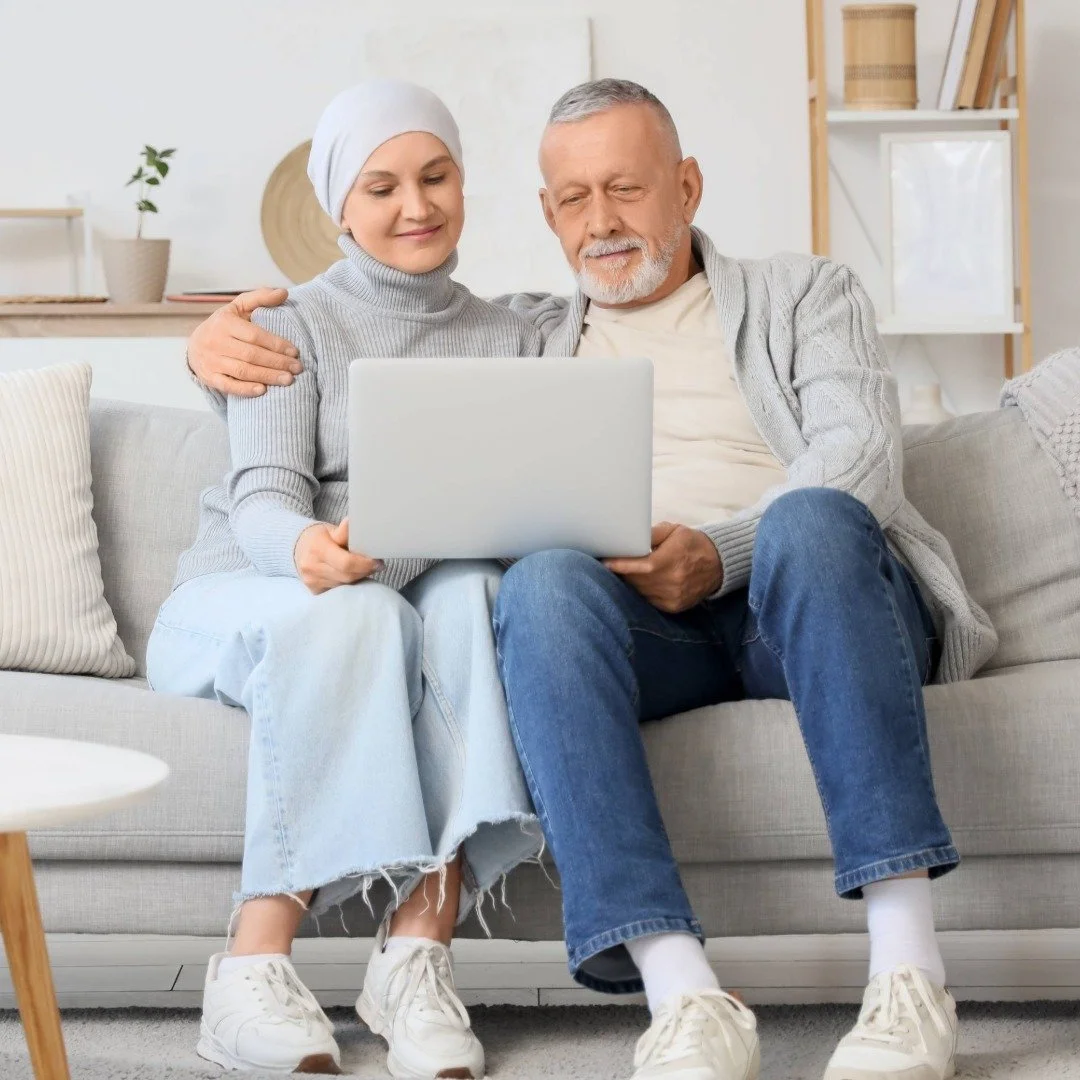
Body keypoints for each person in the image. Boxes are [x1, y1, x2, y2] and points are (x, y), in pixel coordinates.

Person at [187, 79, 996, 1080]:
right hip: (653, 627)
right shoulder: (525, 334)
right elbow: (430, 409)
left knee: (813, 519)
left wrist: (720, 555)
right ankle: (679, 988)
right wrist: (208, 349)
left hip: (817, 598)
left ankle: (908, 977)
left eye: (626, 188)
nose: (601, 221)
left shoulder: (805, 292)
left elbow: (862, 463)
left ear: (687, 186)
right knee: (541, 586)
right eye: (573, 199)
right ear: (544, 213)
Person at [149, 79, 545, 1078]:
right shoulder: (288, 322)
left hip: (389, 589)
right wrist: (307, 553)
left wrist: (391, 555)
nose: (415, 206)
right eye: (382, 187)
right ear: (340, 209)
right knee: (364, 612)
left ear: (465, 182)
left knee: (472, 593)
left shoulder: (512, 336)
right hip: (247, 591)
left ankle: (416, 955)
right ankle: (250, 966)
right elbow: (265, 502)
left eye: (436, 176)